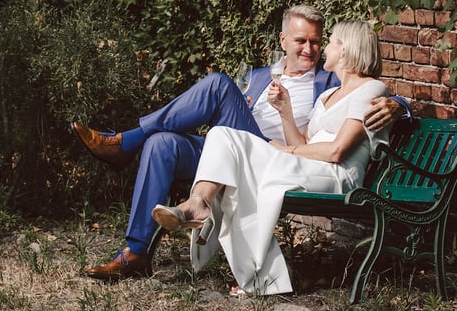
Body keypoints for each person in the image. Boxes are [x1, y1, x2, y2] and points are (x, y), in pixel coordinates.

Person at [73, 5, 411, 280]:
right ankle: (135, 252)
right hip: (230, 150)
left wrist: (399, 106)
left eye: (316, 42)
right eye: (300, 41)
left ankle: (124, 142)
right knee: (163, 143)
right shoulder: (259, 76)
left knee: (219, 87)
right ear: (283, 40)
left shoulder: (328, 80)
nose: (309, 49)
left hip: (270, 153)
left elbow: (370, 95)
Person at [152, 20, 390, 295]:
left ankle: (256, 268)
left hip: (337, 175)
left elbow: (337, 151)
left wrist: (286, 151)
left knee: (234, 151)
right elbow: (302, 143)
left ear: (347, 50)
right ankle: (199, 202)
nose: (324, 48)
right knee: (221, 135)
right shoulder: (328, 95)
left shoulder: (372, 90)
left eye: (331, 41)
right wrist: (285, 112)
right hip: (309, 166)